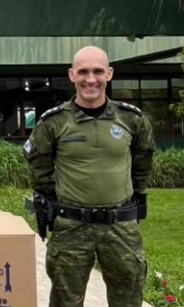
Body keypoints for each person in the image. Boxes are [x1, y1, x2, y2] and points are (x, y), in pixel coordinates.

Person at [24, 46, 155, 307]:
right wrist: (57, 199)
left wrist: (129, 196)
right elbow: (39, 169)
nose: (91, 79)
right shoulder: (53, 123)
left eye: (97, 71)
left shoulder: (132, 120)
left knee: (128, 299)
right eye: (83, 72)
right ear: (72, 75)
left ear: (109, 74)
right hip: (71, 227)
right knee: (65, 300)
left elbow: (143, 163)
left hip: (121, 227)